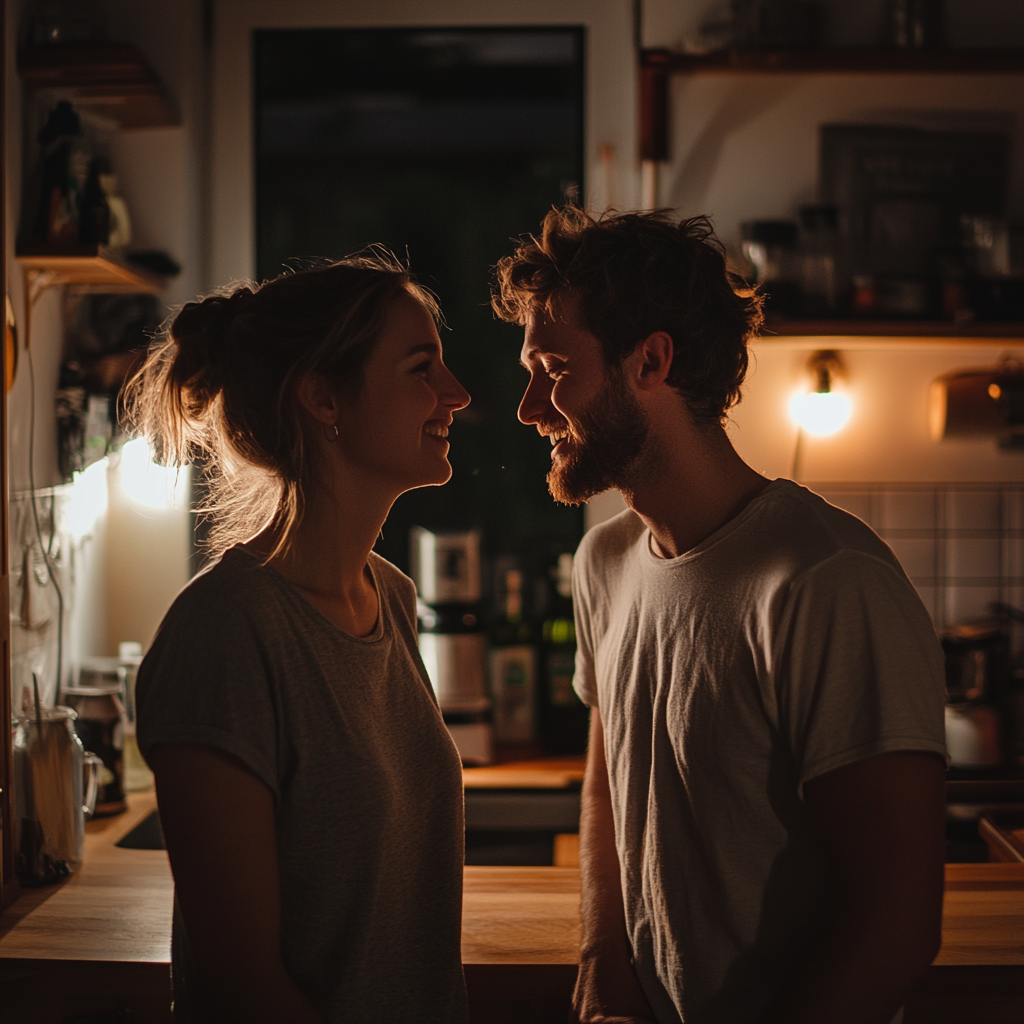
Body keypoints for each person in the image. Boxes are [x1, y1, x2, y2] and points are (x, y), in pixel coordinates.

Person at [494, 208, 948, 1024]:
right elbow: (609, 784)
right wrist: (603, 961)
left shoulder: (824, 580)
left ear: (651, 361)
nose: (531, 408)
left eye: (554, 367)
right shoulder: (604, 565)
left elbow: (897, 920)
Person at [125, 254, 472, 1024]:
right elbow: (242, 986)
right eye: (422, 369)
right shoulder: (225, 635)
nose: (457, 395)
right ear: (323, 397)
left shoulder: (391, 597)